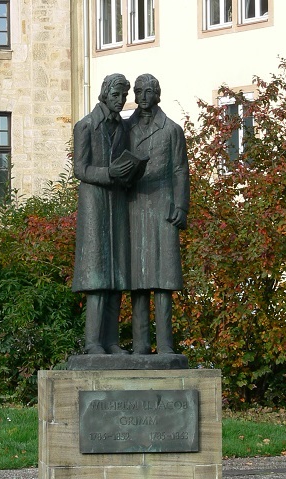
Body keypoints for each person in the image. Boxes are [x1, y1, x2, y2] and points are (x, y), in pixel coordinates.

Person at [72, 74, 135, 354]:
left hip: (117, 204)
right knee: (97, 276)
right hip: (95, 205)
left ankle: (111, 341)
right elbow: (80, 169)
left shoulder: (122, 128)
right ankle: (93, 343)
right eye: (116, 95)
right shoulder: (85, 126)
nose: (121, 100)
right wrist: (109, 173)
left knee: (117, 275)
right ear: (105, 93)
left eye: (124, 96)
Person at [128, 74, 190, 354]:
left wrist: (181, 206)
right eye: (139, 91)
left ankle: (165, 345)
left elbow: (179, 169)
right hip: (134, 205)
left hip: (164, 203)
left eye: (148, 91)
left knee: (163, 278)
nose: (143, 96)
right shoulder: (125, 129)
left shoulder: (171, 130)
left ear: (157, 94)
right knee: (138, 279)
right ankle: (140, 346)